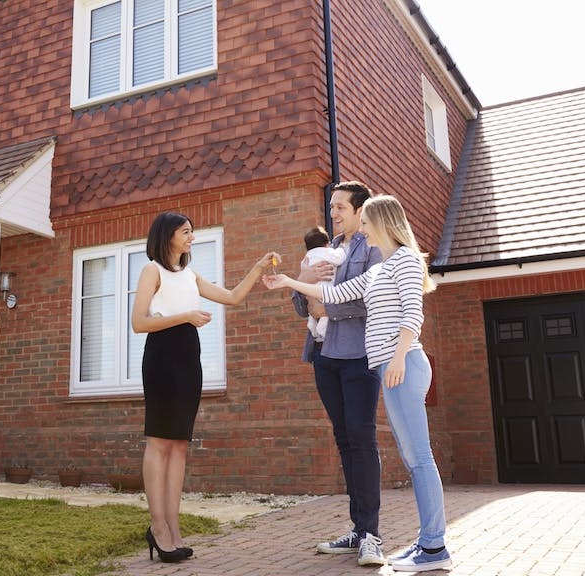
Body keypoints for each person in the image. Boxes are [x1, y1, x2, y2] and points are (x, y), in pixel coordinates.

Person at [264, 195, 451, 573]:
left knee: (420, 458)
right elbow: (336, 294)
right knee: (413, 458)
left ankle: (434, 547)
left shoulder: (406, 260)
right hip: (390, 367)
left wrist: (397, 358)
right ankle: (427, 542)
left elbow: (413, 315)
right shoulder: (383, 268)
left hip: (403, 365)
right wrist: (288, 281)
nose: (362, 230)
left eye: (366, 223)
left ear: (382, 223)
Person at [131, 211, 278, 563]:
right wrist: (186, 316)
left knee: (179, 445)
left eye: (192, 232)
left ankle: (173, 528)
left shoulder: (190, 275)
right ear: (168, 235)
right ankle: (158, 527)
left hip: (188, 360)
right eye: (186, 232)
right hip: (162, 358)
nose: (192, 237)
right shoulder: (152, 270)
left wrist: (257, 268)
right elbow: (139, 322)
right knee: (159, 442)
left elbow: (232, 297)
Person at [291, 182, 386, 564]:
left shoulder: (374, 248)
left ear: (361, 210)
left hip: (358, 356)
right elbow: (301, 305)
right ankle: (358, 529)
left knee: (362, 439)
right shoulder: (326, 249)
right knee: (344, 439)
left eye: (340, 207)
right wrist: (305, 280)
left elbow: (373, 300)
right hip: (323, 356)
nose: (333, 214)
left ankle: (371, 535)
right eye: (331, 207)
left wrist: (326, 309)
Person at [301, 226, 348, 343]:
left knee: (313, 309)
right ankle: (322, 329)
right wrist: (341, 249)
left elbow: (303, 272)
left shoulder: (306, 258)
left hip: (310, 290)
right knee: (325, 311)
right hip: (325, 288)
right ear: (327, 243)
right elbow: (340, 258)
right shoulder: (327, 252)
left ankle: (312, 323)